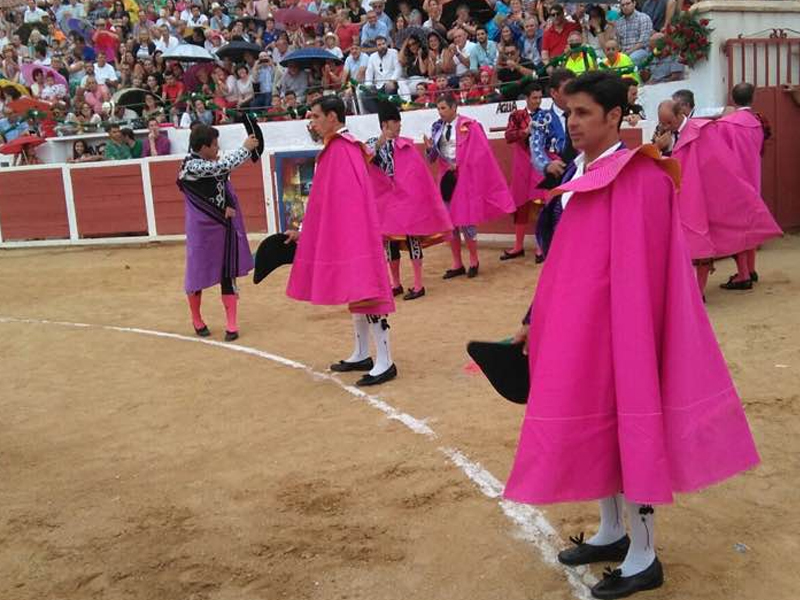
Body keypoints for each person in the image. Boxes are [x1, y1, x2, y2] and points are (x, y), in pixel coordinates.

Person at [505, 71, 760, 600]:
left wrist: (634, 337)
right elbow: (566, 261)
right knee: (598, 426)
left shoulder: (640, 178)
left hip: (624, 330)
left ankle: (644, 555)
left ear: (615, 117)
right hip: (581, 326)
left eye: (583, 114)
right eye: (568, 112)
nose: (572, 123)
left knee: (632, 425)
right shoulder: (580, 173)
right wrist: (537, 314)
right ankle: (613, 531)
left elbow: (645, 274)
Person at [286, 96, 398, 386]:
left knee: (367, 290)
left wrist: (344, 233)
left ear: (333, 117)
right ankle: (362, 352)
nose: (312, 122)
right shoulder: (339, 148)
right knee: (356, 289)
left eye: (316, 116)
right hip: (350, 231)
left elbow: (347, 200)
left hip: (355, 233)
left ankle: (385, 361)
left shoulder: (341, 148)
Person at [655, 99, 781, 298]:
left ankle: (699, 293)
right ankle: (744, 275)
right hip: (697, 194)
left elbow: (718, 164)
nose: (665, 126)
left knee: (710, 237)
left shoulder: (701, 130)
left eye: (668, 122)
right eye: (663, 123)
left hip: (709, 195)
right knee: (720, 234)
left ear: (680, 115)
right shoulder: (680, 132)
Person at [177, 124, 259, 341]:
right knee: (197, 273)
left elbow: (222, 178)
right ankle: (196, 318)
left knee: (227, 271)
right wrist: (246, 149)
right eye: (215, 145)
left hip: (223, 223)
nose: (218, 148)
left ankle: (231, 323)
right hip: (201, 228)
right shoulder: (191, 166)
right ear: (203, 147)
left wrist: (228, 206)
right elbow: (222, 167)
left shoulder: (210, 162)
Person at [366, 102, 453, 300]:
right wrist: (381, 140)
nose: (399, 125)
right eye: (396, 121)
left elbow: (418, 177)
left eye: (399, 121)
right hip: (386, 204)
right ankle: (395, 283)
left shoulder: (406, 145)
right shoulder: (373, 144)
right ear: (385, 124)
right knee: (389, 243)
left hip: (406, 202)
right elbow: (365, 157)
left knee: (413, 237)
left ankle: (418, 284)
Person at [424, 93, 515, 280]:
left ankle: (473, 260)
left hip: (464, 179)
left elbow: (480, 154)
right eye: (438, 109)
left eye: (443, 108)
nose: (440, 113)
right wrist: (428, 149)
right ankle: (457, 263)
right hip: (446, 180)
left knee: (466, 221)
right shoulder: (436, 128)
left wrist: (461, 165)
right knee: (450, 224)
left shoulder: (469, 125)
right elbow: (432, 158)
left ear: (454, 107)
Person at [717, 82, 778, 290]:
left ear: (733, 99)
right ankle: (751, 269)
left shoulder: (726, 124)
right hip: (754, 177)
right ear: (753, 98)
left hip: (734, 181)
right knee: (749, 224)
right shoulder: (759, 121)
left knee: (737, 227)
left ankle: (743, 275)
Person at [529, 68, 577, 258]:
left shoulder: (582, 113)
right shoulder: (542, 118)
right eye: (568, 90)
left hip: (581, 175)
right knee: (557, 221)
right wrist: (547, 165)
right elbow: (536, 147)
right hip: (557, 176)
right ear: (554, 93)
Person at [501, 82, 547, 262]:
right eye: (534, 98)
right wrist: (525, 131)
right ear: (526, 99)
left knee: (540, 202)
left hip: (540, 162)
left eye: (539, 97)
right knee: (520, 203)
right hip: (521, 162)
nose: (537, 101)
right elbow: (508, 136)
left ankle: (540, 246)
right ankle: (518, 246)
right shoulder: (517, 116)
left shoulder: (546, 116)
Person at [615, 0, 653, 66]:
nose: (625, 7)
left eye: (628, 4)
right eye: (623, 5)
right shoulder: (619, 22)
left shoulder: (644, 18)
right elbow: (618, 43)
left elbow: (643, 43)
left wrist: (626, 54)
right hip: (623, 53)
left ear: (634, 3)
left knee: (631, 59)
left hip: (641, 51)